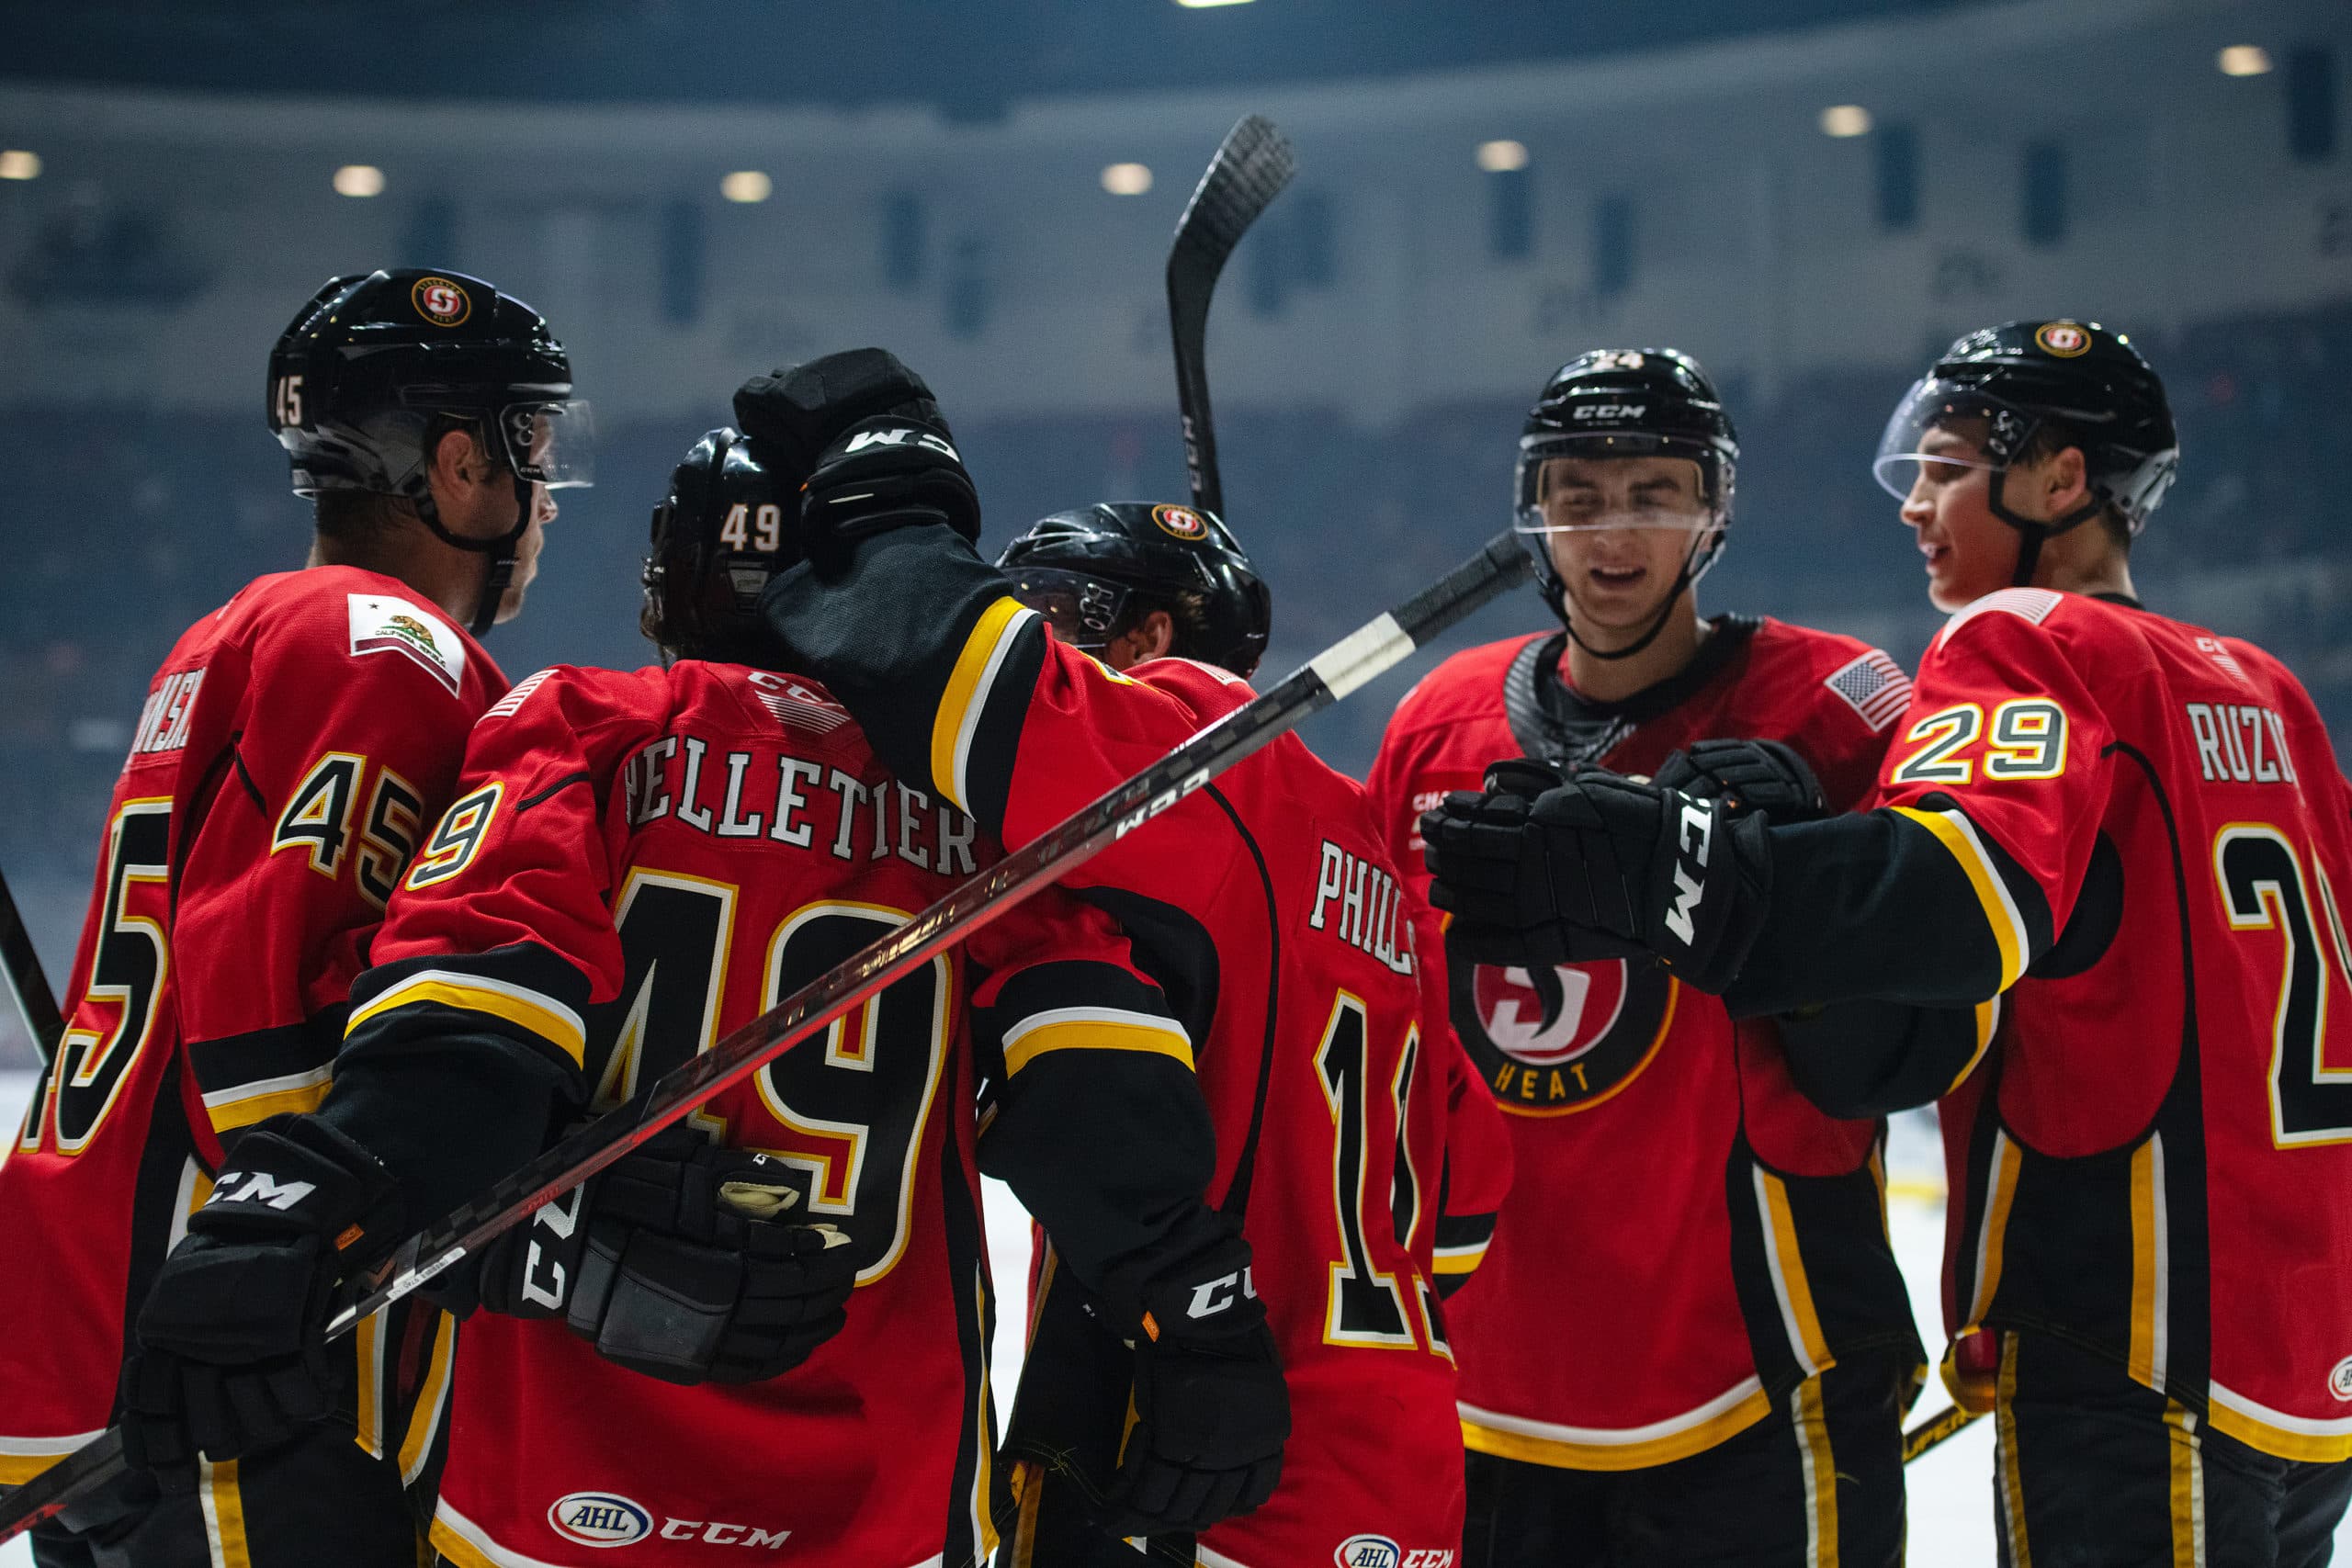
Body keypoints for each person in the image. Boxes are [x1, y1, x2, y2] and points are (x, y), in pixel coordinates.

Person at [121, 407, 1258, 1568]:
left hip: (546, 1489)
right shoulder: (988, 822)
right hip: (888, 1503)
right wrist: (1201, 1326)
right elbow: (1100, 1104)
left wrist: (292, 1213)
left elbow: (463, 1029)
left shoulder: (586, 724)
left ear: (680, 577)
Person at [1423, 320, 2352, 1563]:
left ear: (2060, 480)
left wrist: (1665, 863)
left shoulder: (2028, 636)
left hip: (2135, 1338)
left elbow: (1955, 904)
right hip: (2310, 1351)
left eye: (1947, 467)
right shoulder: (2265, 689)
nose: (1913, 503)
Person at [749, 355, 1510, 1568]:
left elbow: (956, 676)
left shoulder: (1200, 759)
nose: (1035, 629)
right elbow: (1464, 1202)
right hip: (1394, 1459)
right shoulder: (1362, 848)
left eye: (1054, 607)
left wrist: (877, 470)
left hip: (1207, 1455)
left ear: (1152, 634)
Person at [0, 267, 584, 1568]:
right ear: (456, 465)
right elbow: (284, 1010)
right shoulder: (384, 645)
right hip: (235, 1351)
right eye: (530, 444)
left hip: (105, 1317)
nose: (546, 495)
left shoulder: (232, 630)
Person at [1365, 347, 1922, 1566]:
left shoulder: (1843, 704)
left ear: (1714, 507)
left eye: (1653, 492)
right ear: (1532, 510)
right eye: (1578, 495)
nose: (1613, 533)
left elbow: (1917, 1024)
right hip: (1483, 1373)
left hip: (1759, 1361)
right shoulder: (1434, 720)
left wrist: (1810, 849)